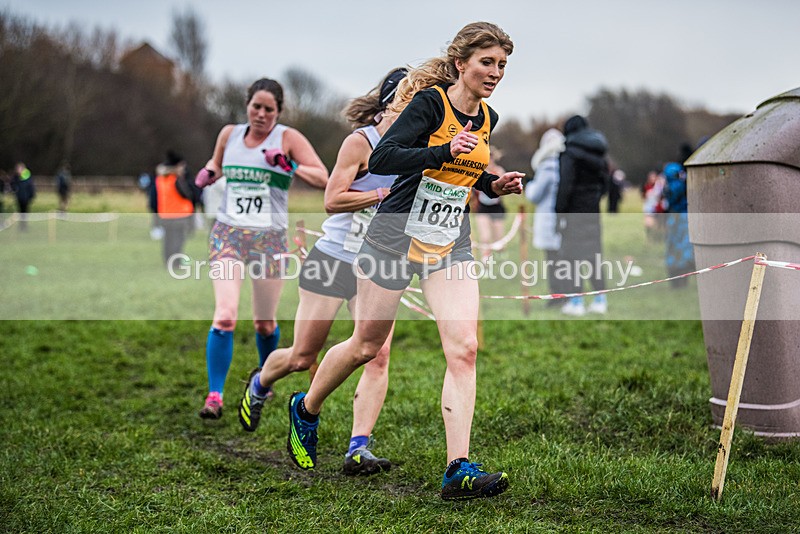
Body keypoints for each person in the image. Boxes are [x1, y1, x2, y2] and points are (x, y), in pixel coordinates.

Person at [283, 22, 523, 501]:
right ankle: (306, 408)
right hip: (394, 236)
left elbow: (461, 171)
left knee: (465, 348)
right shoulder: (431, 104)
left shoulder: (487, 118)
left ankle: (458, 467)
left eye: (501, 65)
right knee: (366, 346)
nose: (495, 73)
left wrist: (491, 186)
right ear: (461, 64)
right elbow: (385, 158)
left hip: (449, 239)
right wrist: (440, 149)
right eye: (486, 63)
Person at [237, 67, 407, 476]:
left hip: (377, 259)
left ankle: (358, 447)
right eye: (407, 97)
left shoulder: (418, 148)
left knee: (377, 353)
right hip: (334, 257)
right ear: (388, 101)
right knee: (301, 356)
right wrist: (381, 193)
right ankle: (260, 384)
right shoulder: (361, 141)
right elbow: (332, 199)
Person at [193, 78, 328, 419]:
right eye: (257, 106)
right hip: (228, 235)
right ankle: (214, 396)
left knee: (264, 324)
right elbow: (218, 164)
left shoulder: (288, 138)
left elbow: (323, 177)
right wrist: (207, 173)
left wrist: (288, 164)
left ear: (278, 112)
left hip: (269, 239)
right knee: (224, 315)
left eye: (269, 109)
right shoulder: (229, 134)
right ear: (247, 105)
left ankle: (262, 385)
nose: (262, 114)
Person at [555, 115, 610, 316]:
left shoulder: (569, 154)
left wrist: (559, 212)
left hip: (573, 212)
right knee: (594, 255)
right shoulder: (601, 155)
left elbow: (565, 186)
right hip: (593, 210)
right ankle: (600, 300)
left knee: (571, 257)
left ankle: (576, 302)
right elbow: (606, 183)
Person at [525, 127, 567, 306]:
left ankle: (557, 296)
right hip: (561, 219)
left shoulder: (547, 167)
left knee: (553, 261)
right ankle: (564, 294)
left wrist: (529, 185)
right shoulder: (563, 165)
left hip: (548, 219)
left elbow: (534, 195)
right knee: (561, 258)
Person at [148, 150, 198, 270]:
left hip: (165, 215)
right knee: (178, 240)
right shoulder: (177, 179)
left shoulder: (160, 179)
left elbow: (153, 198)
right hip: (179, 215)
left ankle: (168, 261)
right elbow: (189, 194)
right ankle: (176, 263)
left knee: (168, 240)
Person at [663, 159, 694, 288]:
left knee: (675, 249)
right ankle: (682, 278)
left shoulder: (673, 186)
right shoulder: (684, 183)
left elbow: (671, 199)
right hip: (683, 218)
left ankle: (677, 279)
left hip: (677, 219)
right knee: (683, 249)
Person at [473, 149, 507, 262]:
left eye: (490, 158)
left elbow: (505, 188)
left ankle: (501, 258)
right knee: (485, 236)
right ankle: (485, 259)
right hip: (482, 207)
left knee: (498, 237)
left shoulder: (499, 171)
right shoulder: (479, 171)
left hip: (496, 207)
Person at [11, 162, 35, 232]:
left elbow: (31, 188)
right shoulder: (16, 178)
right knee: (20, 212)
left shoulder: (27, 177)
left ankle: (24, 226)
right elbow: (13, 186)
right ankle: (21, 226)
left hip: (26, 198)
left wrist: (31, 196)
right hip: (19, 198)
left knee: (25, 212)